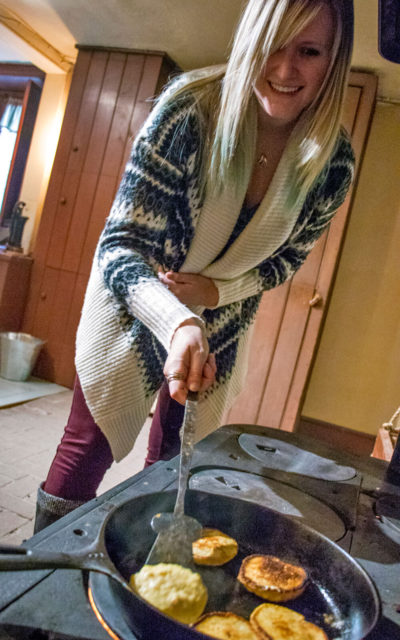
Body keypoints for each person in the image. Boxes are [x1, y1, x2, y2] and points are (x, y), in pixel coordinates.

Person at [34, 0, 355, 531]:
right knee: (87, 446)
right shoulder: (190, 111)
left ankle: (154, 565)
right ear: (250, 38)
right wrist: (178, 319)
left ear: (334, 59)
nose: (283, 70)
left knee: (177, 460)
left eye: (309, 51)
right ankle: (39, 575)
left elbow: (287, 261)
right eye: (272, 45)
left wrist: (212, 296)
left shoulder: (332, 162)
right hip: (132, 305)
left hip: (223, 321)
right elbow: (121, 245)